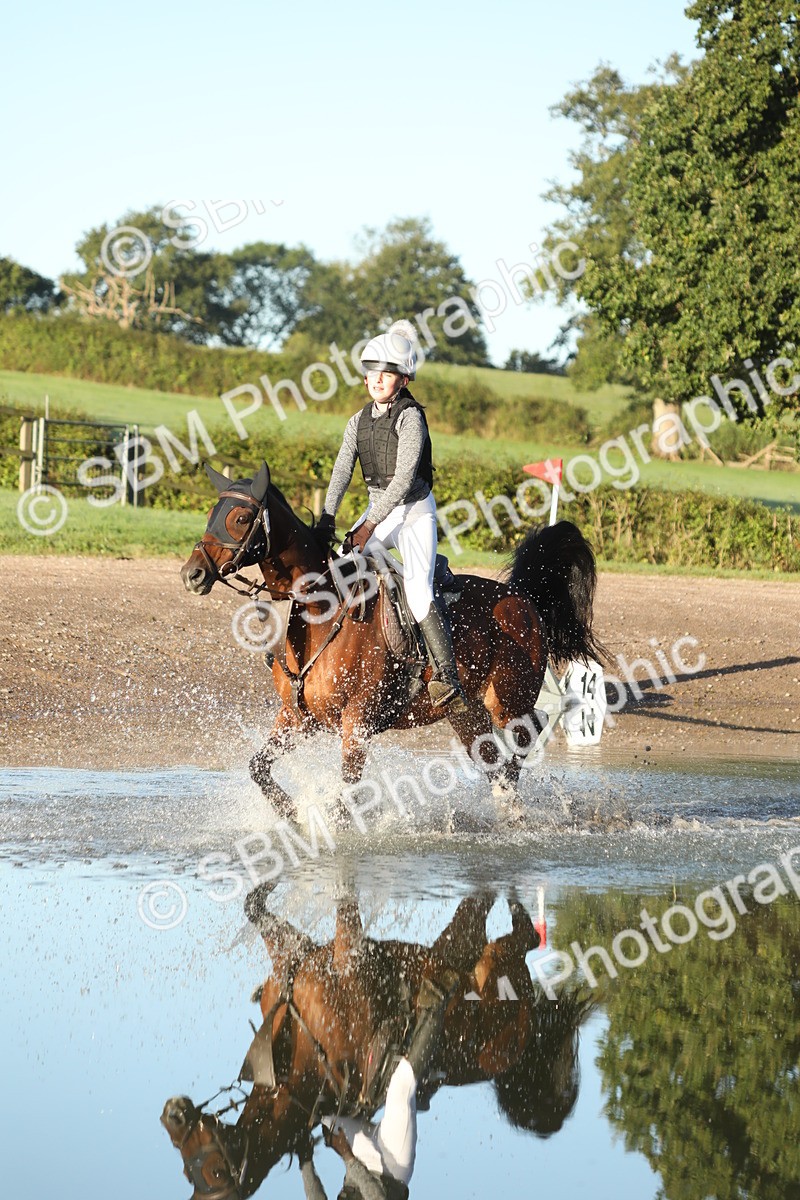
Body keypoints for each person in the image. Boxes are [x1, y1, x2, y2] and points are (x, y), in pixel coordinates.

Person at [317, 321, 464, 710]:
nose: (377, 379)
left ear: (404, 378)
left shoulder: (410, 417)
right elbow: (341, 470)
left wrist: (367, 526)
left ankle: (447, 676)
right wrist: (327, 518)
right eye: (372, 372)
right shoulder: (358, 421)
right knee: (341, 569)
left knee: (417, 591)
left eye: (387, 373)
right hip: (378, 510)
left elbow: (401, 481)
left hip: (414, 512)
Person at [299, 975, 455, 1200]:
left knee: (326, 1117)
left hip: (361, 1156)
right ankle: (435, 1004)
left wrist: (305, 1162)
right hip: (393, 1166)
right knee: (401, 1087)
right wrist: (347, 1156)